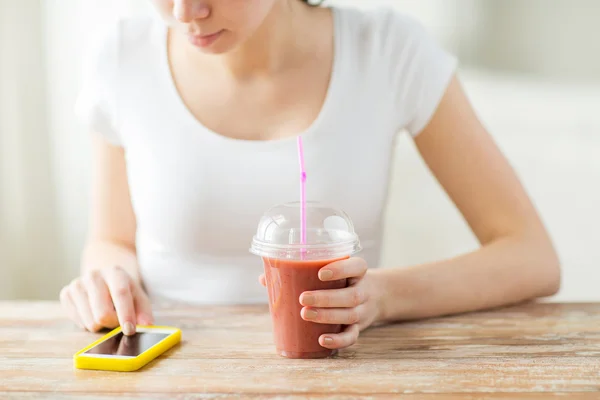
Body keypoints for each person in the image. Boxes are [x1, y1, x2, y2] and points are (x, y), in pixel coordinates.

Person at [60, 0, 561, 351]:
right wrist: (107, 278)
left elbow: (531, 257)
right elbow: (109, 239)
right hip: (172, 372)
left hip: (336, 372)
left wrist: (382, 297)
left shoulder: (387, 50)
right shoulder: (122, 56)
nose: (185, 12)